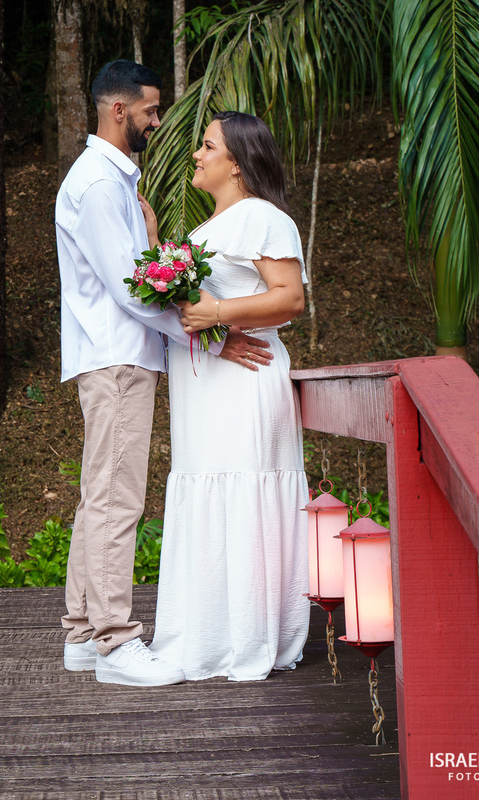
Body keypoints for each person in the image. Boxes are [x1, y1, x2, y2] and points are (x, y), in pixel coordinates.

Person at [56, 62, 275, 687]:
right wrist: (204, 331)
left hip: (116, 354)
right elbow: (131, 290)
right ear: (118, 110)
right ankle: (115, 643)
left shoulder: (113, 181)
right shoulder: (99, 183)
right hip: (118, 355)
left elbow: (131, 269)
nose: (158, 121)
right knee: (116, 499)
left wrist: (150, 239)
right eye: (151, 111)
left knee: (99, 493)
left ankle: (81, 632)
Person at [147, 111, 310, 682]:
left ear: (237, 162)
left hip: (246, 384)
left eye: (207, 145)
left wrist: (218, 313)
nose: (196, 153)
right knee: (205, 483)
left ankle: (251, 635)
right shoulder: (200, 232)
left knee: (245, 487)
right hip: (204, 386)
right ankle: (204, 633)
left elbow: (290, 298)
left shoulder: (263, 218)